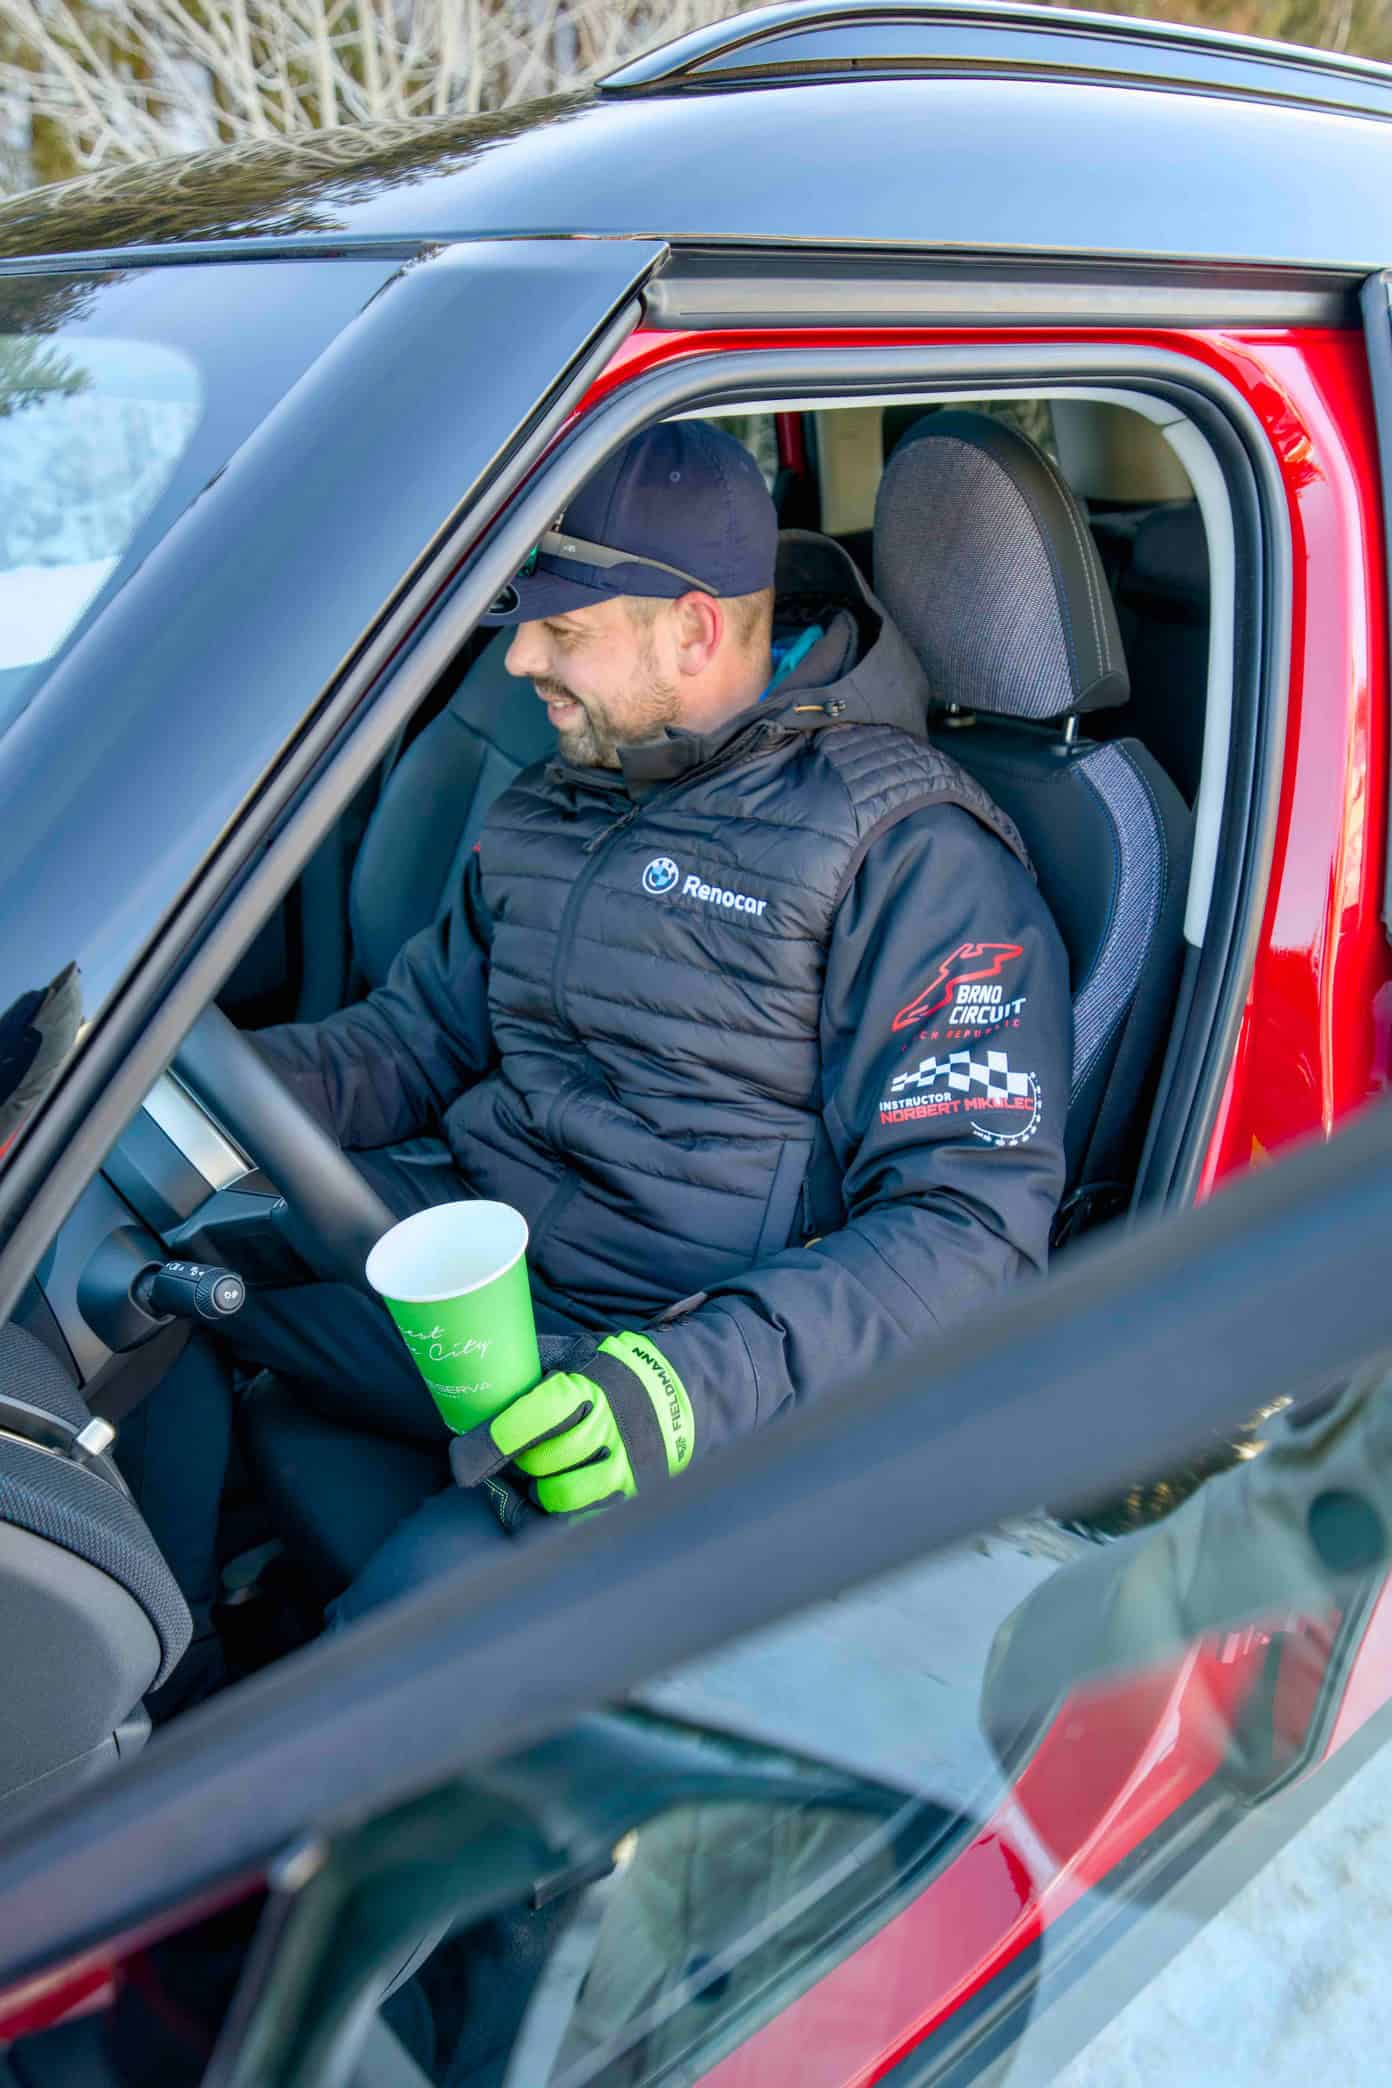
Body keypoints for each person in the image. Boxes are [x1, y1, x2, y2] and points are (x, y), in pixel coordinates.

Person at [133, 417, 1071, 1664]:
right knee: (123, 1256)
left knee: (382, 1668)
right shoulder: (567, 790)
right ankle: (141, 1673)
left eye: (562, 630)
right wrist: (168, 1091)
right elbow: (414, 1039)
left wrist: (683, 1385)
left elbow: (968, 1228)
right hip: (474, 1279)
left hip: (662, 1356)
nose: (519, 658)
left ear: (692, 629)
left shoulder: (910, 856)